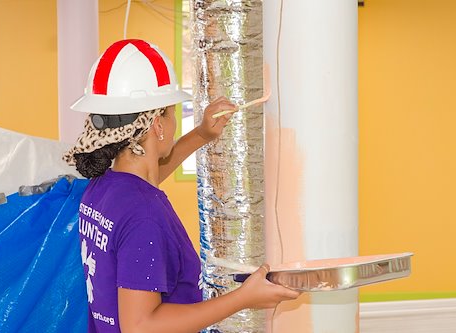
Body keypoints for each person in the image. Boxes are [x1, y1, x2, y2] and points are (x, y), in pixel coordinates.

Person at [64, 39, 299, 333]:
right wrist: (243, 298)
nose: (175, 122)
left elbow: (147, 178)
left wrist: (201, 134)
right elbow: (141, 326)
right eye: (173, 113)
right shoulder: (143, 214)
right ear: (158, 125)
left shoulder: (103, 188)